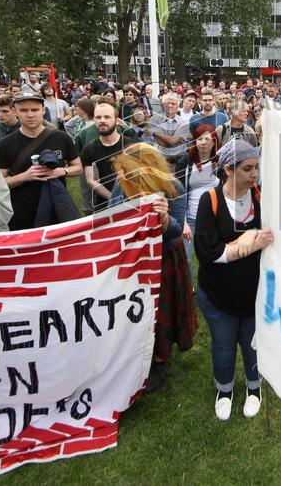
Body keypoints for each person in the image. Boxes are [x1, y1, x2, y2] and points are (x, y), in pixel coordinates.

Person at [194, 139, 272, 420]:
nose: (254, 174)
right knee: (223, 347)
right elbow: (207, 252)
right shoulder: (210, 200)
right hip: (218, 295)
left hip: (253, 294)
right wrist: (250, 243)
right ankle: (224, 390)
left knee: (253, 347)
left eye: (256, 168)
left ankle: (254, 388)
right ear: (228, 169)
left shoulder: (262, 198)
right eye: (247, 169)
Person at [108, 143, 196, 392]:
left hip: (164, 258)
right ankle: (137, 354)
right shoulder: (121, 183)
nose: (127, 176)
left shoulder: (173, 186)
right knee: (135, 307)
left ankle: (159, 359)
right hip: (134, 257)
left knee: (162, 309)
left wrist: (165, 219)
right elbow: (110, 216)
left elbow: (176, 231)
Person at [0, 94, 82, 230]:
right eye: (24, 110)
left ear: (43, 110)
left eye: (35, 110)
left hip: (56, 206)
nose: (30, 115)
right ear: (15, 112)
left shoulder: (61, 137)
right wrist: (24, 177)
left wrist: (63, 171)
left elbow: (79, 167)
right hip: (22, 212)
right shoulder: (5, 144)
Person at [175, 124, 220, 264]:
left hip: (214, 219)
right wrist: (183, 223)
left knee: (212, 258)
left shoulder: (220, 162)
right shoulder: (185, 162)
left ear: (214, 142)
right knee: (185, 259)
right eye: (200, 139)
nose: (203, 142)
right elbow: (177, 194)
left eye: (207, 139)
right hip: (190, 219)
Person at [81, 100, 138, 211]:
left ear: (116, 120)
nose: (102, 120)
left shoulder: (130, 145)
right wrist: (113, 199)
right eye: (98, 117)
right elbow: (90, 180)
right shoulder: (89, 149)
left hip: (132, 202)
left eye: (107, 117)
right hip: (104, 205)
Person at [149, 92, 190, 160]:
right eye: (167, 103)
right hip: (160, 159)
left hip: (179, 160)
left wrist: (155, 133)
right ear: (163, 105)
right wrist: (170, 139)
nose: (170, 105)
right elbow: (162, 144)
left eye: (173, 104)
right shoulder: (154, 119)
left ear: (178, 106)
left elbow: (172, 142)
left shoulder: (184, 122)